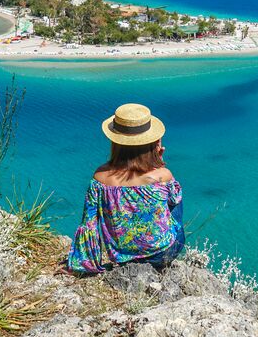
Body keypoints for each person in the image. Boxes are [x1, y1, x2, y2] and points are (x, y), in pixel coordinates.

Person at [66, 103, 184, 273]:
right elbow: (174, 199)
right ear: (154, 143)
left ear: (115, 142)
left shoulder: (100, 178)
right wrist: (158, 163)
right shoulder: (162, 175)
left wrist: (82, 263)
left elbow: (89, 224)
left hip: (122, 257)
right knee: (175, 197)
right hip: (163, 254)